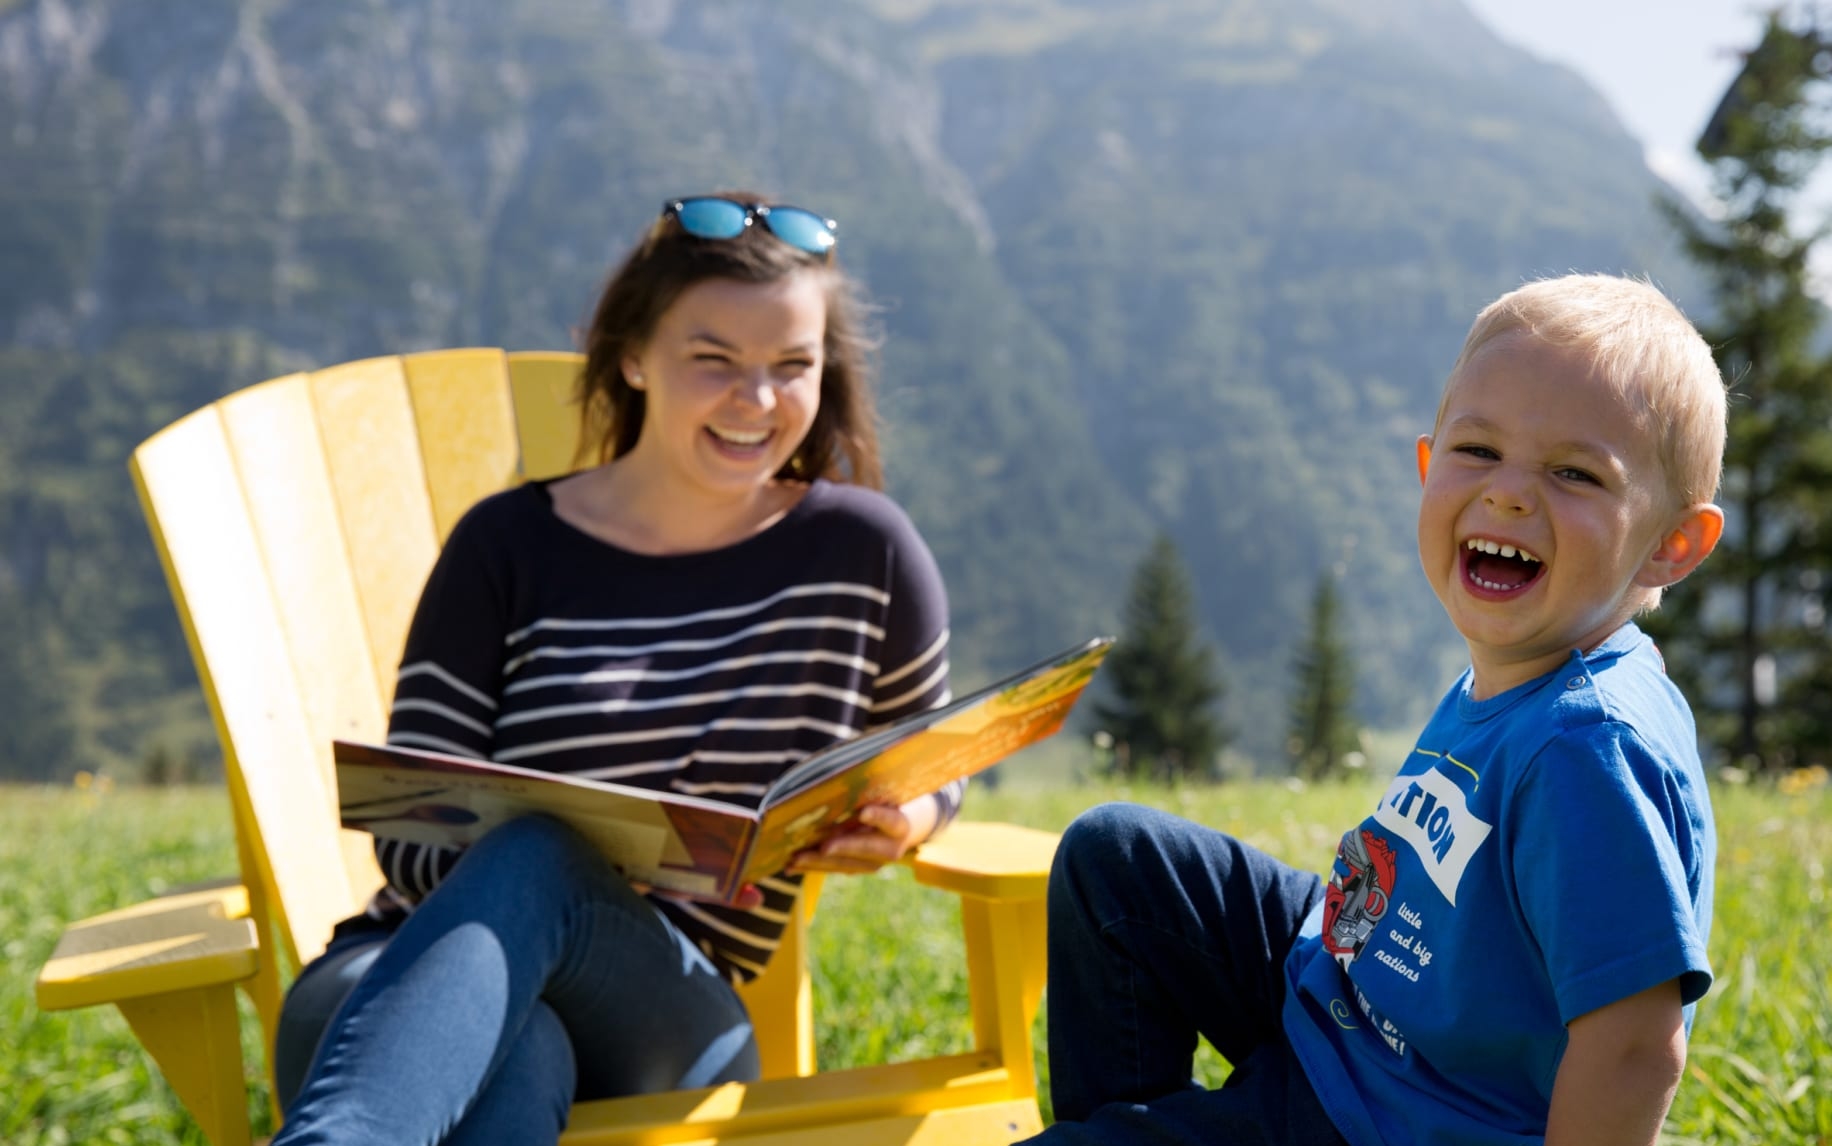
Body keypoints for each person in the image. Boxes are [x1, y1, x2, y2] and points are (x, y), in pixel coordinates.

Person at [270, 193, 960, 1146]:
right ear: (634, 356)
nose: (758, 402)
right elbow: (409, 831)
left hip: (665, 1009)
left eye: (791, 366)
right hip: (398, 971)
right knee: (525, 1032)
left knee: (542, 860)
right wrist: (566, 864)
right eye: (714, 360)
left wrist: (907, 819)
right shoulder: (507, 548)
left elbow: (936, 763)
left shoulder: (863, 554)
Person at [1028, 274, 1724, 1146]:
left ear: (1671, 544)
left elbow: (1633, 1049)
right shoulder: (1529, 667)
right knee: (1119, 859)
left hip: (1394, 1115)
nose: (1508, 493)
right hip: (1352, 1001)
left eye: (1574, 472)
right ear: (1429, 468)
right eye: (1479, 450)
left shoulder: (1587, 746)